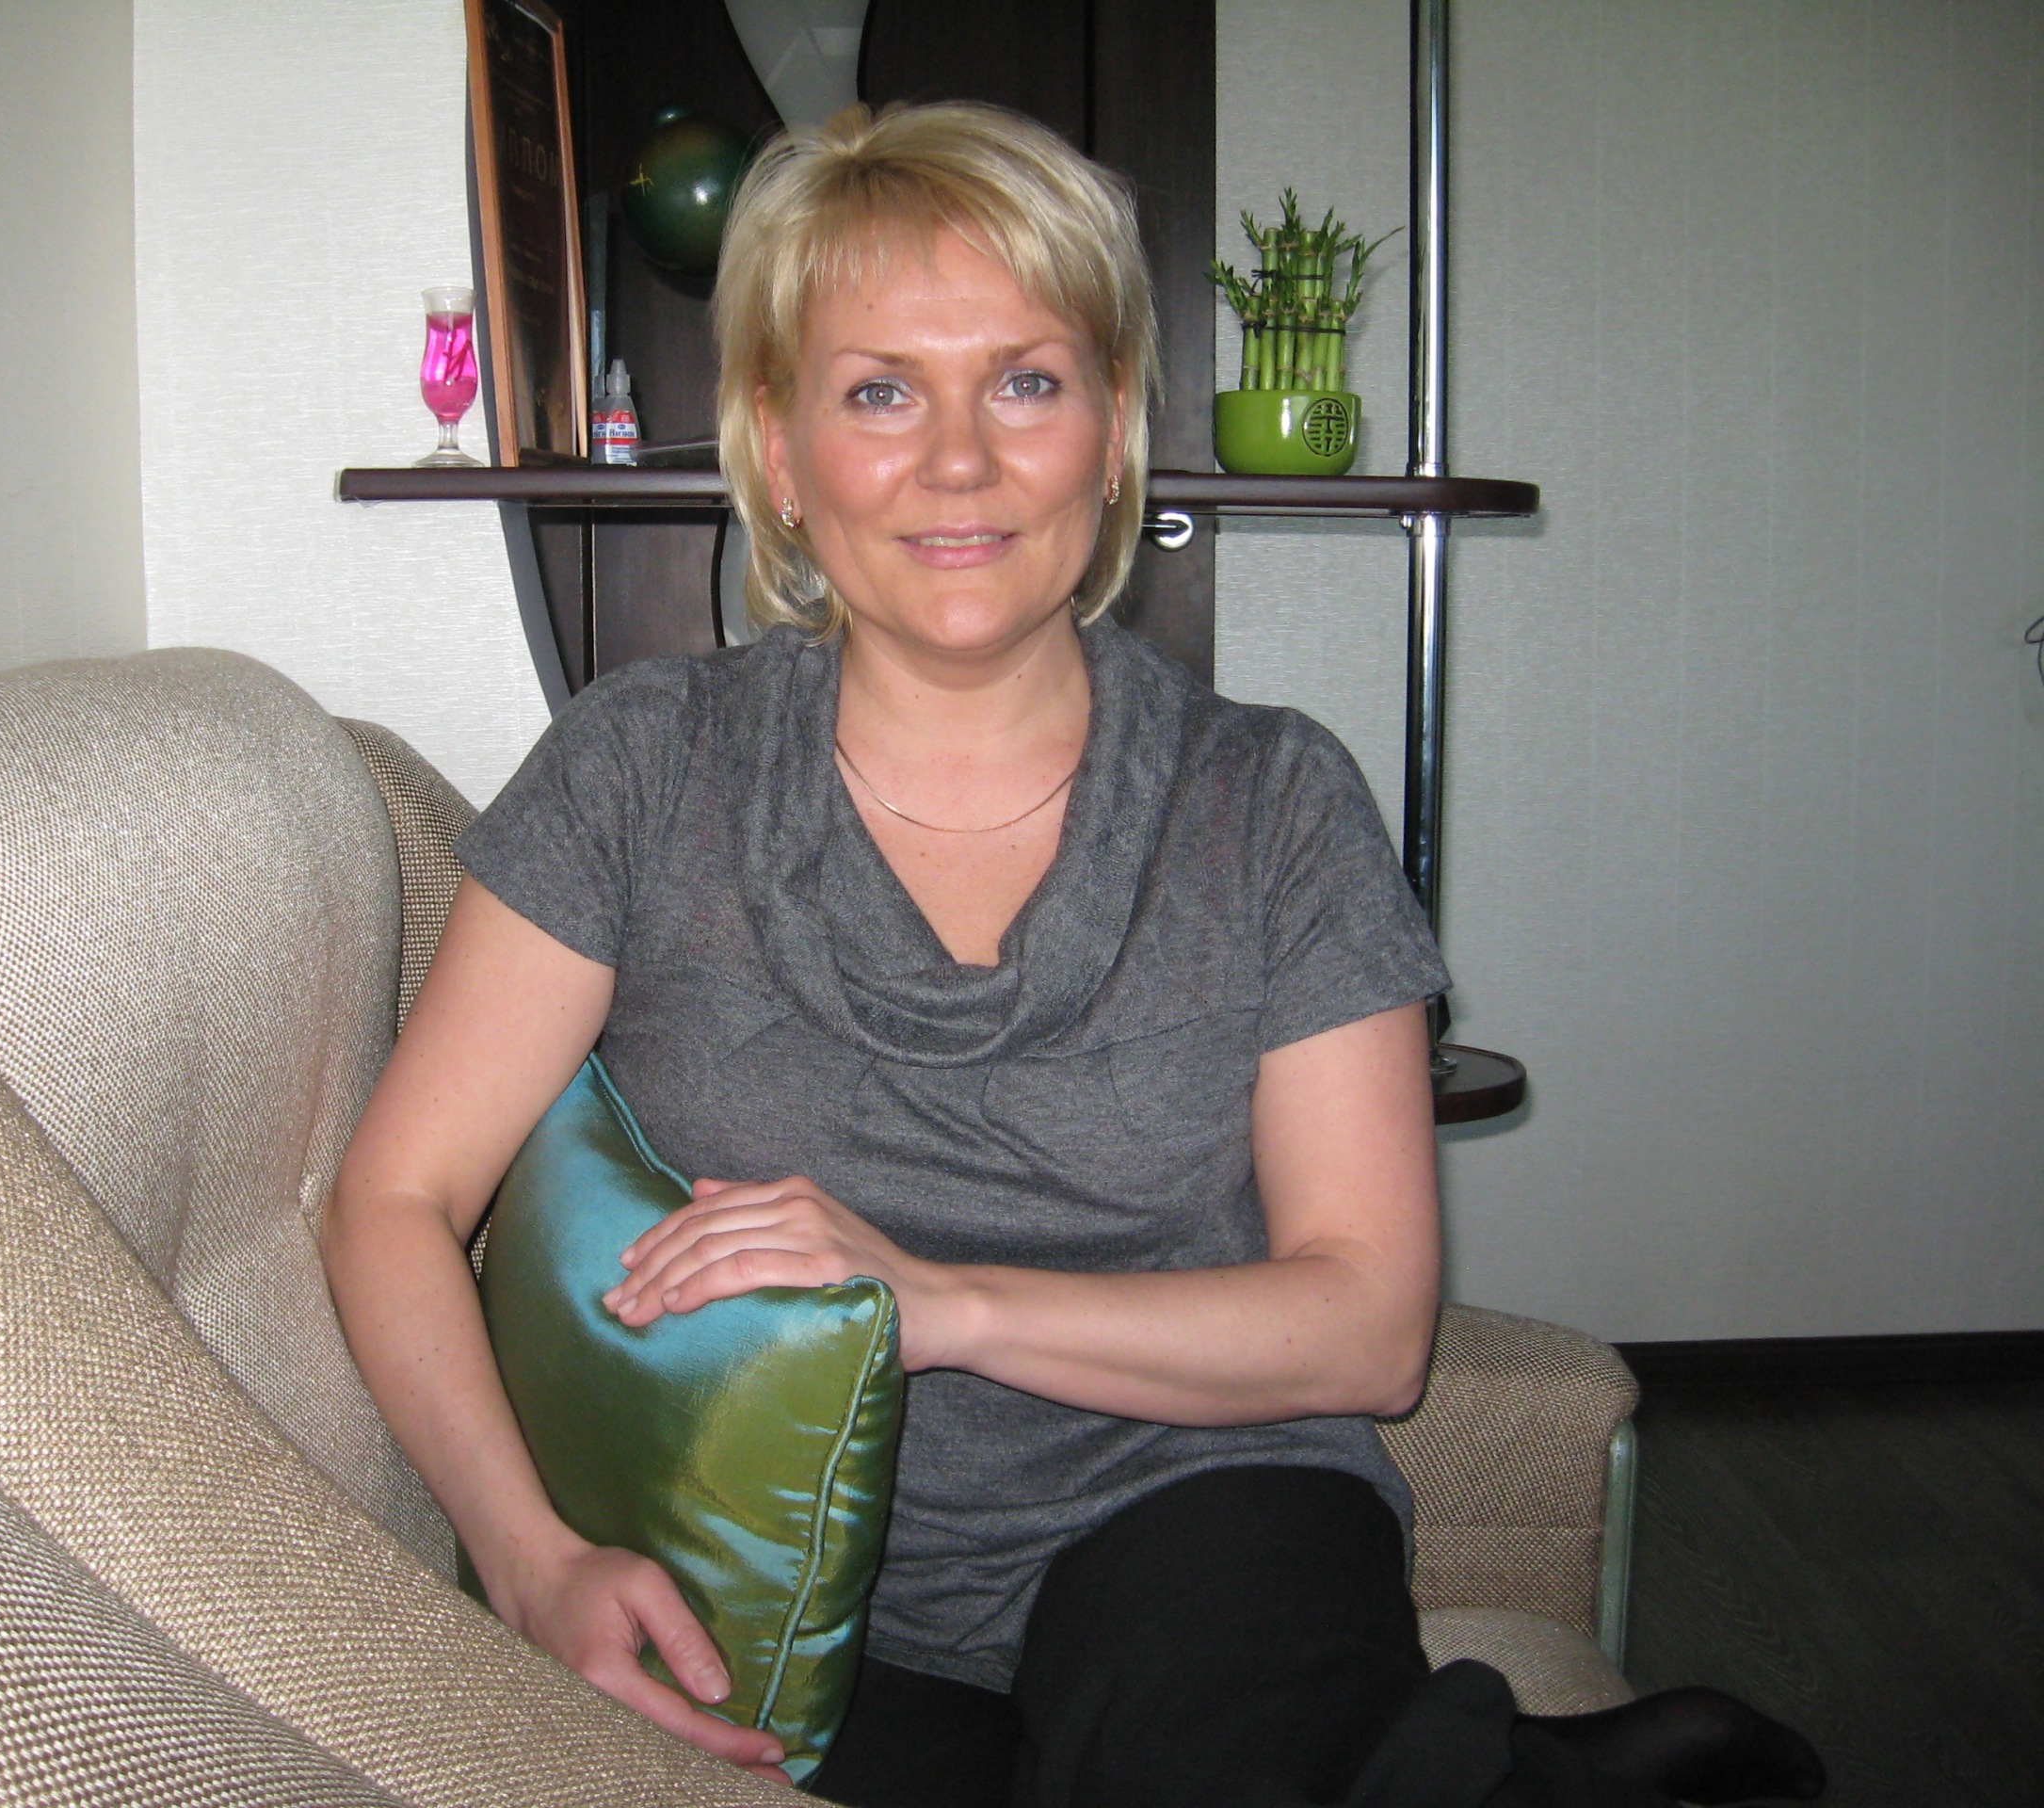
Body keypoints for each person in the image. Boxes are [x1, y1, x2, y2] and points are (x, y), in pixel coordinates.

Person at [325, 101, 1823, 1808]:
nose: (959, 461)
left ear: (1112, 432)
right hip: (779, 1547)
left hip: (1198, 1501)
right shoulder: (642, 769)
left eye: (1027, 382)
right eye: (879, 392)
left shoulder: (1273, 801)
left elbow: (1368, 1326)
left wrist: (943, 1302)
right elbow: (396, 1200)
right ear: (779, 449)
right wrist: (531, 1560)